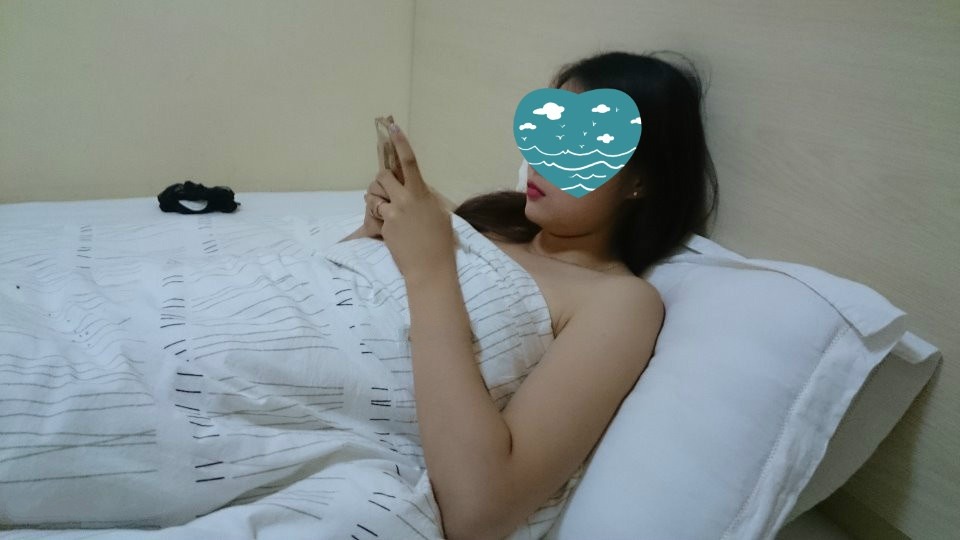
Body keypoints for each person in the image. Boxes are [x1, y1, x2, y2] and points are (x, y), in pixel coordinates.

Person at [340, 50, 719, 539]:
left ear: (640, 180)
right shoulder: (487, 219)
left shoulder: (620, 302)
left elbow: (480, 509)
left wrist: (429, 268)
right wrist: (373, 232)